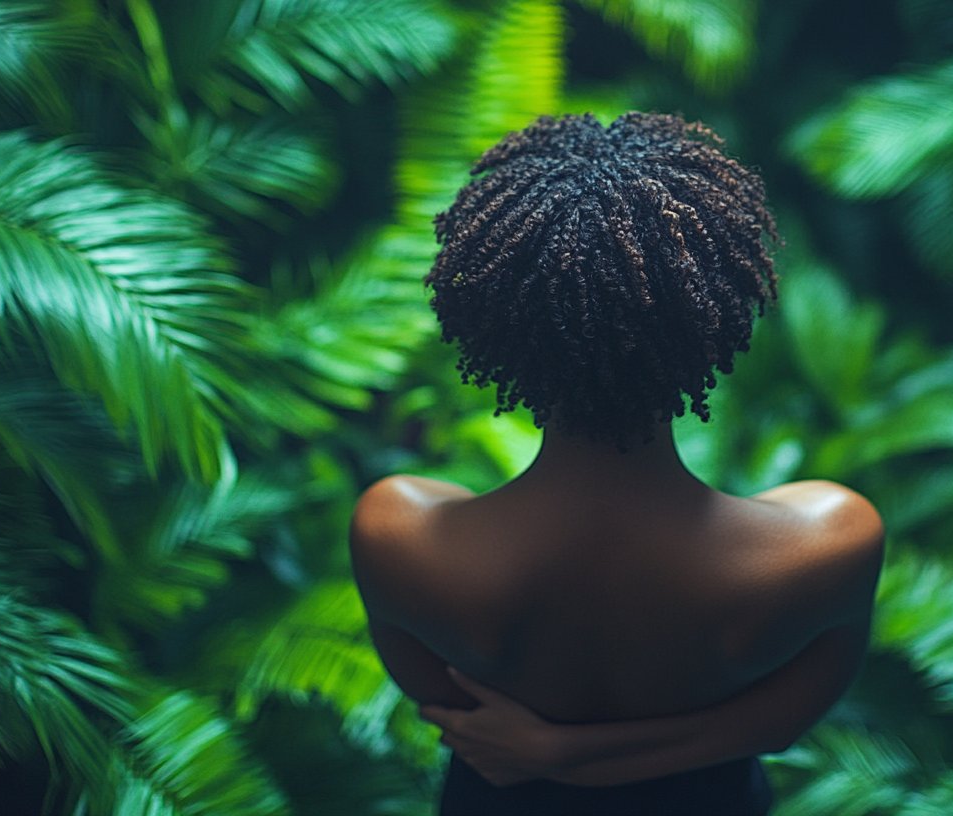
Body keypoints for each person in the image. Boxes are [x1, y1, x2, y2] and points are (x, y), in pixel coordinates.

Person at [348, 111, 885, 815]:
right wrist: (585, 764)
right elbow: (783, 722)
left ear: (491, 326)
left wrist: (556, 754)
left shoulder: (397, 534)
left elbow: (462, 725)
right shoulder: (828, 543)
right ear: (714, 316)